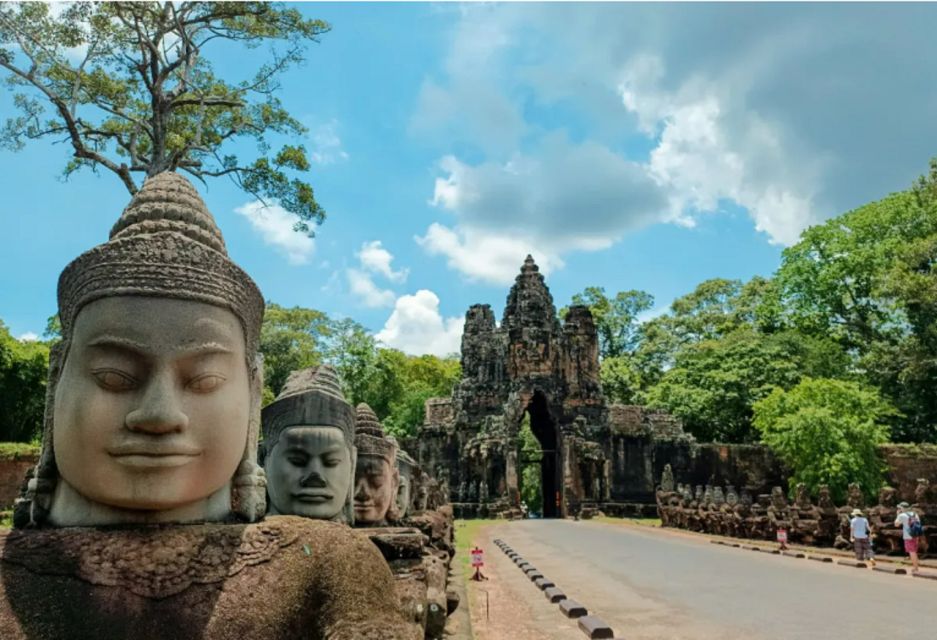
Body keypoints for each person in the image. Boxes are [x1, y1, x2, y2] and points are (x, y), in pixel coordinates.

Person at [895, 501, 921, 573]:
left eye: (899, 508)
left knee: (912, 552)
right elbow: (918, 524)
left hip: (908, 536)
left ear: (902, 508)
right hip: (915, 535)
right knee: (914, 551)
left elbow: (896, 524)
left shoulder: (902, 515)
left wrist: (897, 515)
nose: (899, 509)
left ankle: (916, 568)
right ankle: (915, 566)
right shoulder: (915, 514)